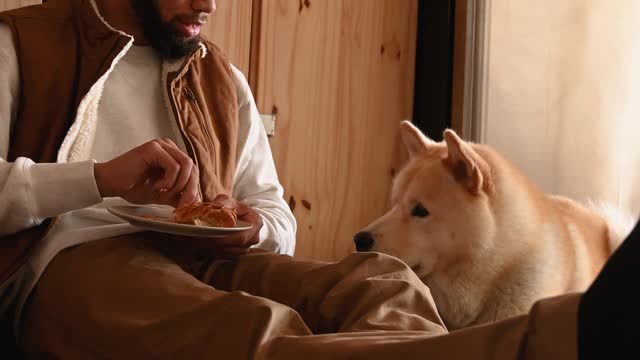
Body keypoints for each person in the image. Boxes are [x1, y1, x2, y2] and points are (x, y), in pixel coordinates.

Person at [0, 0, 635, 359]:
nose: (210, 5)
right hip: (72, 265)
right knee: (251, 332)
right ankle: (563, 341)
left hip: (204, 255)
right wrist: (98, 178)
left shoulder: (221, 81)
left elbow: (276, 219)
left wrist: (246, 224)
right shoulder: (24, 46)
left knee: (382, 280)